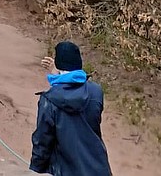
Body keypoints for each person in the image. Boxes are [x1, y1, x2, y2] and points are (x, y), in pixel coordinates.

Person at [30, 42, 112, 176]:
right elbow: (73, 86)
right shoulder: (96, 92)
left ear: (59, 65)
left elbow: (42, 142)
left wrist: (35, 170)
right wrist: (57, 74)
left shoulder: (49, 100)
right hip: (98, 169)